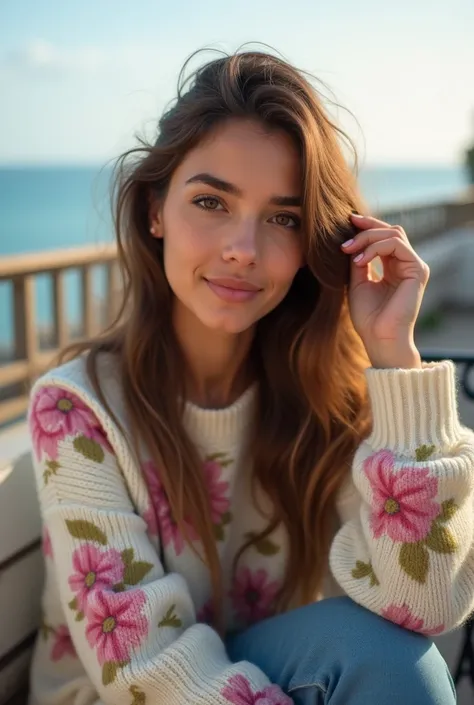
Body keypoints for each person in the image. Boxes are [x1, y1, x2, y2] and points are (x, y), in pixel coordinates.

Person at [27, 49, 474, 705]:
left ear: (314, 241)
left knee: (397, 662)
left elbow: (429, 605)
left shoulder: (325, 393)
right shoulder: (78, 409)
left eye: (283, 218)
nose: (243, 247)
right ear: (155, 210)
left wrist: (393, 357)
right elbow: (145, 670)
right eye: (211, 200)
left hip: (268, 677)